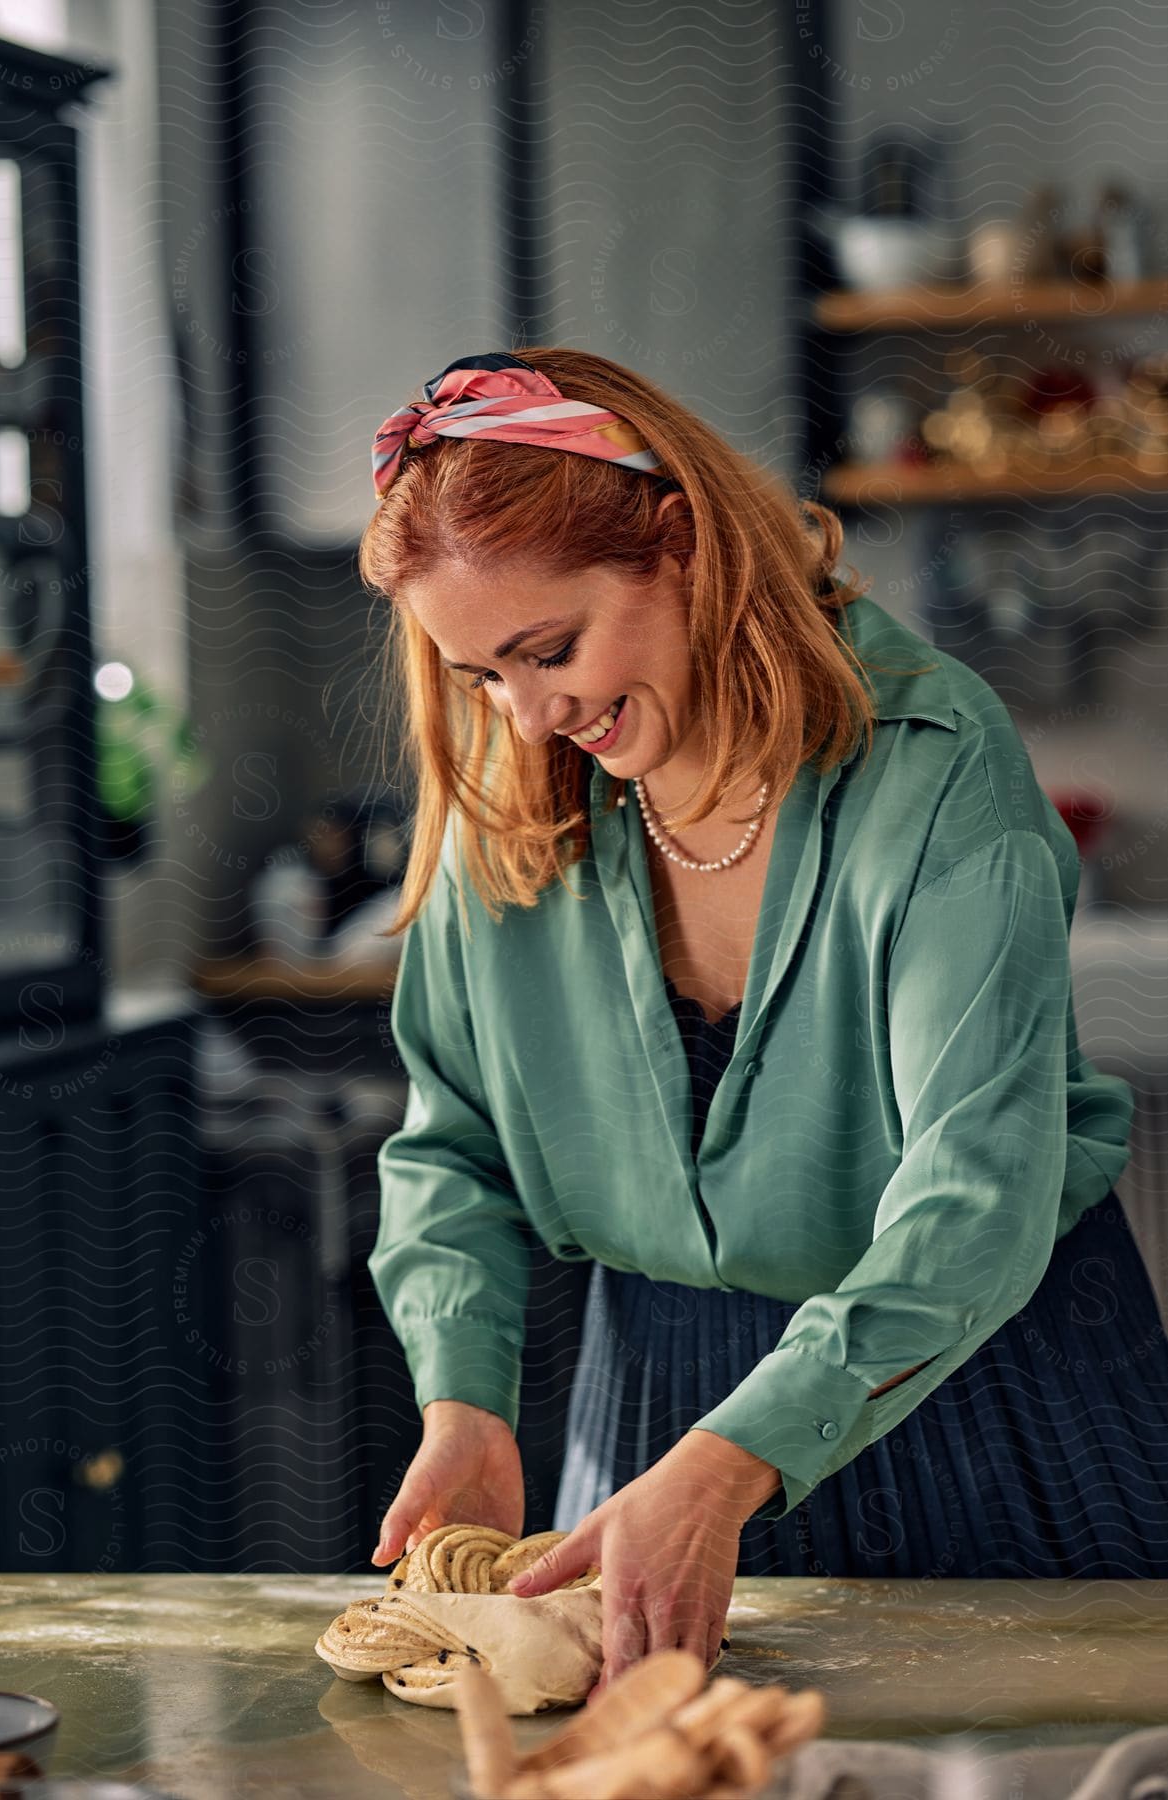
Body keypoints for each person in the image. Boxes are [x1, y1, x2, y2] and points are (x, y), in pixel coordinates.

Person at [362, 348, 1168, 1694]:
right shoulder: (514, 795)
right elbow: (450, 1150)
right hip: (652, 1415)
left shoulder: (930, 769)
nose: (530, 712)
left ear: (678, 545)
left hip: (979, 1387)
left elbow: (975, 1190)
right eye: (482, 676)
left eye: (548, 650)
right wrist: (467, 1399)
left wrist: (742, 1458)